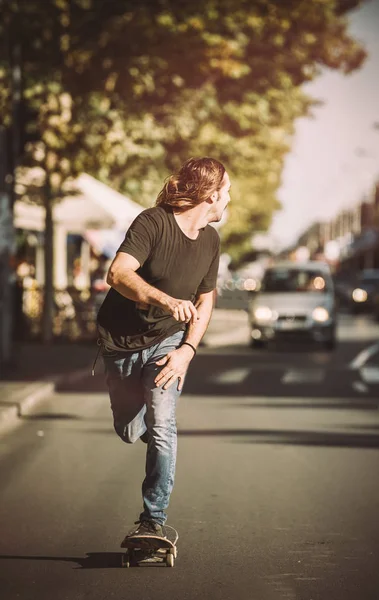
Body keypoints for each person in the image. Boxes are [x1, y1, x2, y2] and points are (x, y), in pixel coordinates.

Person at [97, 157, 231, 538]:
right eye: (228, 193)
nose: (229, 201)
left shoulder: (211, 240)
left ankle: (152, 520)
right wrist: (165, 300)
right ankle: (148, 430)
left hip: (170, 340)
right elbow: (118, 273)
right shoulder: (152, 222)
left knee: (162, 424)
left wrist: (188, 348)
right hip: (120, 340)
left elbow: (205, 299)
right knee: (128, 427)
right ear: (210, 195)